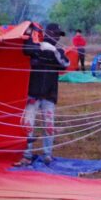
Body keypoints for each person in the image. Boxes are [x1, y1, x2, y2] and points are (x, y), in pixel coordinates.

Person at [16, 23, 69, 166]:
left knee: (49, 126)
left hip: (49, 95)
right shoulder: (36, 48)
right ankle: (27, 154)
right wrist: (29, 34)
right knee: (28, 125)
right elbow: (26, 50)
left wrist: (54, 52)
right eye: (55, 34)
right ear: (48, 34)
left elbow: (65, 64)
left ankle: (47, 154)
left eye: (58, 35)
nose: (57, 37)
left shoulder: (58, 51)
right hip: (33, 94)